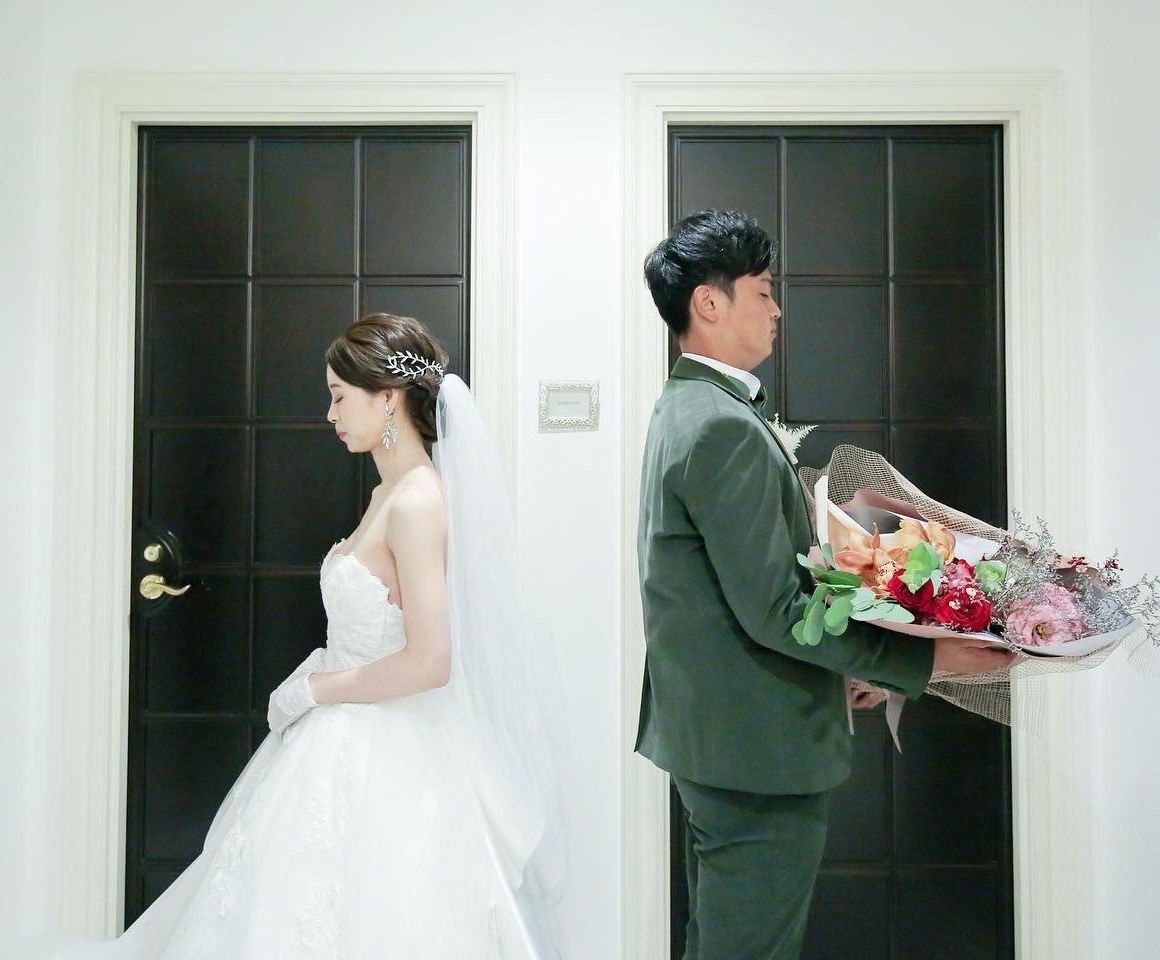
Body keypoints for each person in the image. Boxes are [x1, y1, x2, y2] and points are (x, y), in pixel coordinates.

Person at [53, 314, 563, 959]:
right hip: (348, 727)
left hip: (388, 748)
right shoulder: (388, 492)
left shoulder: (416, 501)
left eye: (339, 397)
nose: (330, 414)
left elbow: (431, 660)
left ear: (388, 397)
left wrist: (318, 689)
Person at [635, 210, 1016, 960]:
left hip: (723, 736)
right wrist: (927, 660)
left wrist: (842, 674)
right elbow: (777, 609)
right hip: (756, 754)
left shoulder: (687, 408)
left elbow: (725, 594)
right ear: (709, 303)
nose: (777, 309)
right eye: (763, 290)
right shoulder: (720, 426)